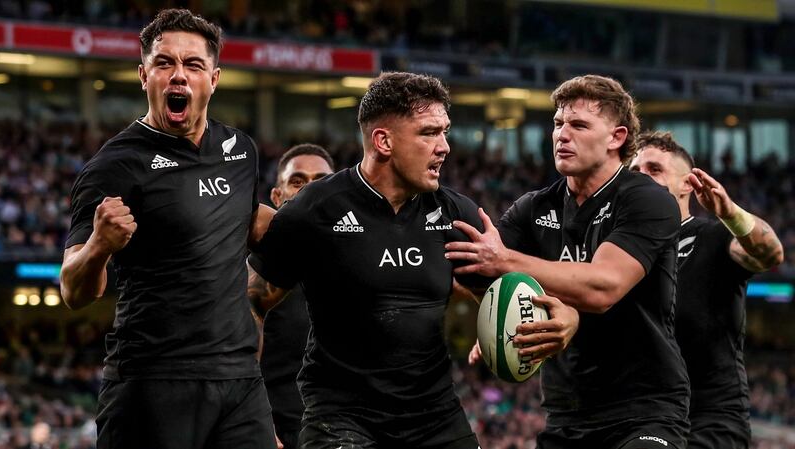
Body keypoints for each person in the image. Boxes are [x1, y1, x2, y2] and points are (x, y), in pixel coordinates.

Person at [248, 71, 580, 449]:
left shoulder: (457, 215)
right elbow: (250, 301)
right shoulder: (316, 209)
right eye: (429, 133)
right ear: (383, 141)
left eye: (445, 132)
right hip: (341, 420)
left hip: (435, 417)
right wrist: (253, 408)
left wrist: (566, 317)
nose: (445, 147)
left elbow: (513, 294)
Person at [60, 9, 275, 449]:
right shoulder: (114, 166)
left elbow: (247, 220)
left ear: (213, 78)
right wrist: (99, 244)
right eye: (164, 63)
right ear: (144, 76)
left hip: (239, 381)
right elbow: (73, 291)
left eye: (193, 64)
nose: (179, 75)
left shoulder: (240, 150)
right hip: (152, 381)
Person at [446, 75, 690, 449]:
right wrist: (496, 310)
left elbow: (603, 286)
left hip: (644, 410)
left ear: (616, 137)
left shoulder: (648, 200)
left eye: (578, 125)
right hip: (567, 413)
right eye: (558, 123)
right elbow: (476, 273)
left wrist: (505, 262)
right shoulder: (533, 207)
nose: (562, 135)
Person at [630, 131, 784, 449]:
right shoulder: (619, 253)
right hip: (645, 420)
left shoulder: (712, 237)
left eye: (654, 169)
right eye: (635, 171)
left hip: (709, 423)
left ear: (688, 184)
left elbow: (770, 254)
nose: (641, 177)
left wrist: (730, 214)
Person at [248, 144, 335, 449]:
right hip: (278, 431)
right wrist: (254, 420)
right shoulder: (254, 270)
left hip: (346, 430)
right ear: (276, 196)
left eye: (322, 181)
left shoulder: (364, 259)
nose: (310, 190)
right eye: (297, 181)